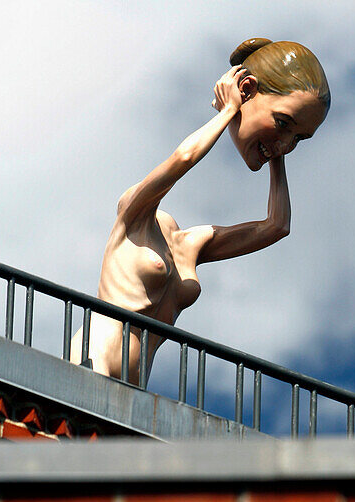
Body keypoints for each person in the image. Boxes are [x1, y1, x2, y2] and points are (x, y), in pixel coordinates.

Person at [70, 38, 330, 383]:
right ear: (246, 90)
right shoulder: (134, 214)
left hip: (133, 385)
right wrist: (228, 111)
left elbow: (277, 226)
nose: (288, 144)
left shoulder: (189, 246)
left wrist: (276, 152)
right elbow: (184, 158)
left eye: (300, 138)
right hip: (92, 361)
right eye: (283, 123)